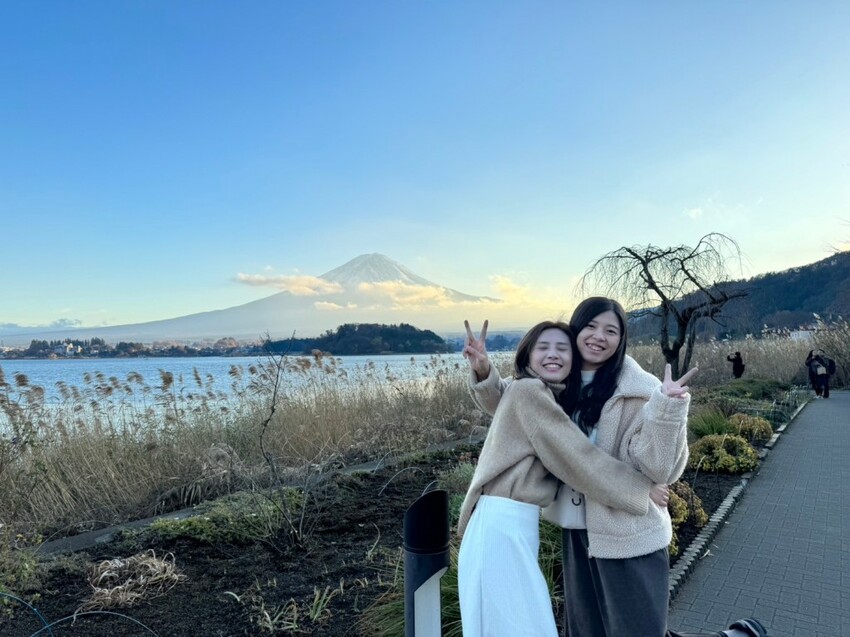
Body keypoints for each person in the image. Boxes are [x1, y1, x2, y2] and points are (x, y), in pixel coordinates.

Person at [463, 297, 768, 637]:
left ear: (621, 339)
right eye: (591, 326)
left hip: (627, 532)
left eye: (611, 330)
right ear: (575, 331)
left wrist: (667, 408)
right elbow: (513, 406)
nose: (599, 336)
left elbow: (661, 470)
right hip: (578, 532)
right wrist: (483, 371)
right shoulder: (560, 381)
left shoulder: (641, 390)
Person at [457, 320, 670, 637]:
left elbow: (505, 404)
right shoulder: (530, 392)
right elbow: (580, 460)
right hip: (500, 526)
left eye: (562, 348)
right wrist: (641, 488)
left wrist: (485, 372)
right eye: (543, 348)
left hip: (508, 524)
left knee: (514, 624)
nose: (553, 355)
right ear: (527, 357)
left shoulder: (542, 395)